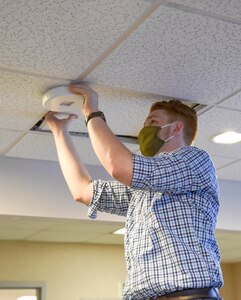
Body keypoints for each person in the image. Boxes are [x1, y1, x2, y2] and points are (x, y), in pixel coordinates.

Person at [45, 84, 223, 300]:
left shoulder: (195, 160)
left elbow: (119, 166)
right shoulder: (142, 192)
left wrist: (91, 110)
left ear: (176, 129)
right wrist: (60, 131)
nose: (144, 130)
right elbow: (82, 191)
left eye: (153, 122)